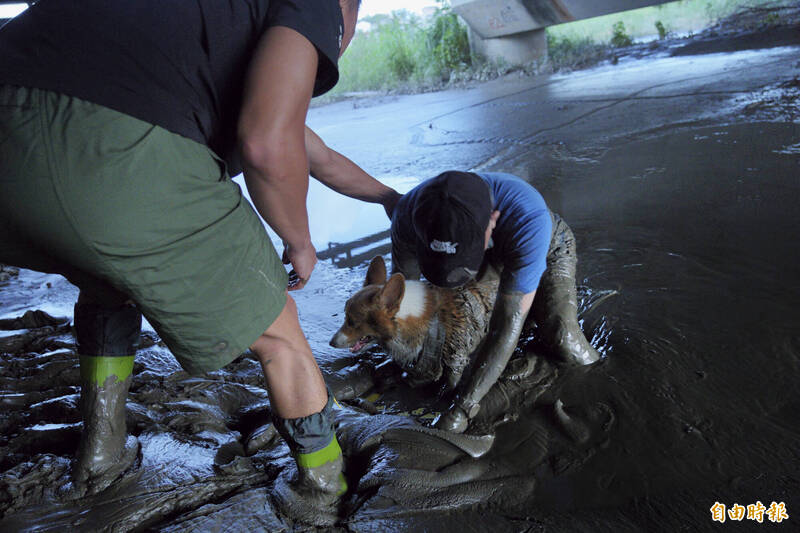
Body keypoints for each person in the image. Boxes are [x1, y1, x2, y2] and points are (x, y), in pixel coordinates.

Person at [0, 0, 396, 520]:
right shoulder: (318, 5)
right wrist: (298, 240)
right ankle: (324, 487)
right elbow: (267, 143)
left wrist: (393, 199)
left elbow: (311, 151)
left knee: (108, 275)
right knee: (278, 333)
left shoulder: (203, 24)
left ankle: (101, 454)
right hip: (111, 150)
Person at [389, 170, 601, 433]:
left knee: (564, 340)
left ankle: (603, 389)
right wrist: (408, 356)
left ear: (493, 219)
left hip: (544, 247)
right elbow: (404, 296)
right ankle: (524, 310)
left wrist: (463, 407)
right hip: (487, 260)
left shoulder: (527, 217)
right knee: (455, 350)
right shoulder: (407, 214)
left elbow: (506, 325)